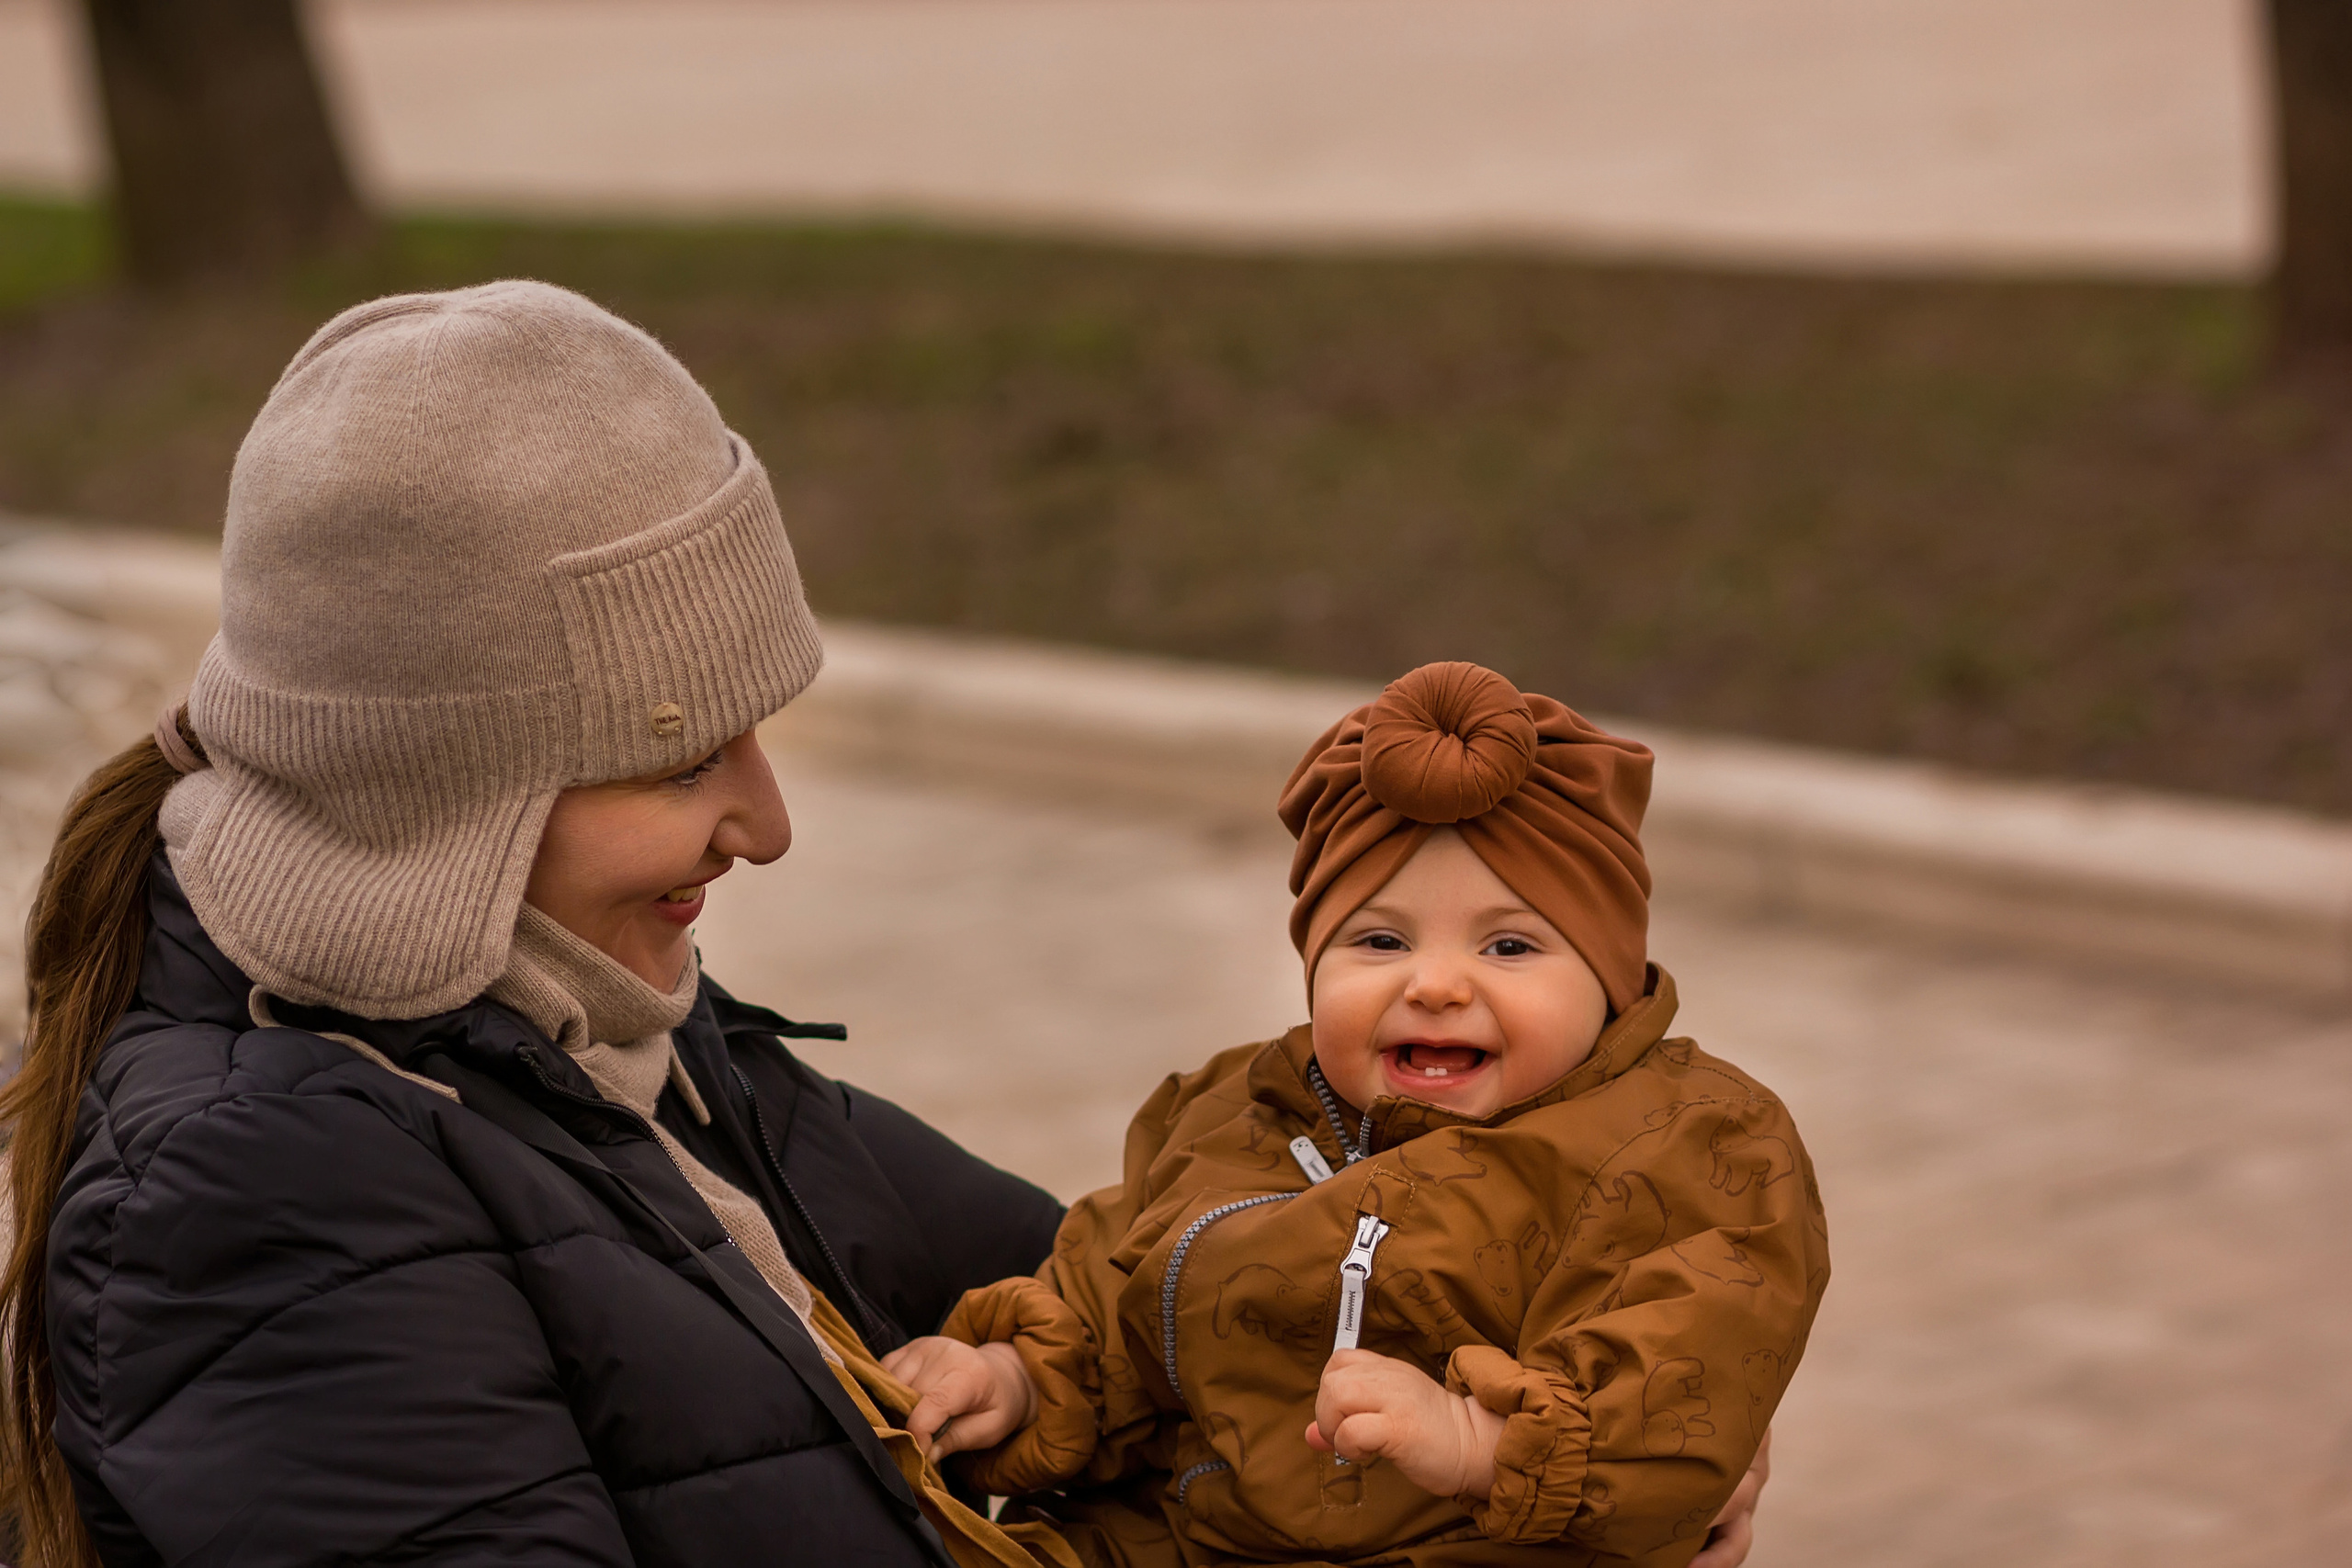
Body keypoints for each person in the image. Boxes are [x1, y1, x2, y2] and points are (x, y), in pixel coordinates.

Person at [0, 283, 1774, 1568]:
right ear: (449, 775)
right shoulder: (257, 1196)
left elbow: (1146, 1306)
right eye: (687, 751)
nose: (765, 823)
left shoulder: (579, 1024)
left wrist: (1576, 1441)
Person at [881, 662, 1829, 1568]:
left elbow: (1688, 1373)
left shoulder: (1686, 1144)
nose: (1435, 983)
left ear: (1609, 982)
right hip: (1175, 1533)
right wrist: (1013, 1376)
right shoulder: (1232, 1111)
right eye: (1379, 939)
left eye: (1508, 945)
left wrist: (1473, 1441)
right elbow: (1109, 1294)